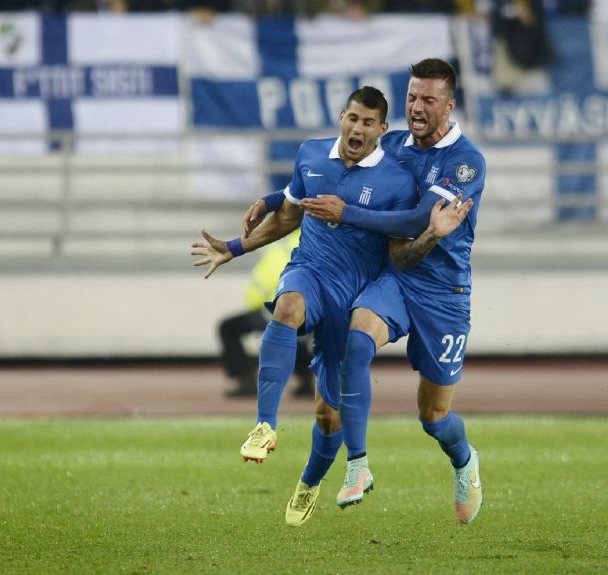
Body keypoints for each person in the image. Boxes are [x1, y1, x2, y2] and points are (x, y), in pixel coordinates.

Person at [245, 58, 487, 525]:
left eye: (429, 99)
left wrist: (346, 213)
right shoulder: (392, 143)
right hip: (394, 277)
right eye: (412, 97)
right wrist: (276, 198)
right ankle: (358, 464)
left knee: (434, 417)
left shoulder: (465, 161)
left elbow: (416, 220)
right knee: (358, 337)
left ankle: (464, 460)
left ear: (449, 106)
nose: (417, 106)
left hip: (444, 292)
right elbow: (333, 170)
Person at [191, 86, 425, 526]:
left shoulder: (397, 181)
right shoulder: (312, 155)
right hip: (310, 271)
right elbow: (288, 215)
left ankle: (310, 481)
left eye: (368, 122)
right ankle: (264, 425)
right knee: (287, 307)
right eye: (352, 118)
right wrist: (234, 247)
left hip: (352, 295)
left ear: (381, 129)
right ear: (341, 117)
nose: (358, 128)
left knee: (328, 415)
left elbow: (401, 244)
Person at [218, 229, 314, 398]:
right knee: (298, 335)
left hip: (277, 311)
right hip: (312, 313)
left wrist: (255, 304)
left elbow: (265, 282)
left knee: (228, 327)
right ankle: (307, 383)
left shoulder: (283, 247)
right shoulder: (322, 242)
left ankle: (245, 380)